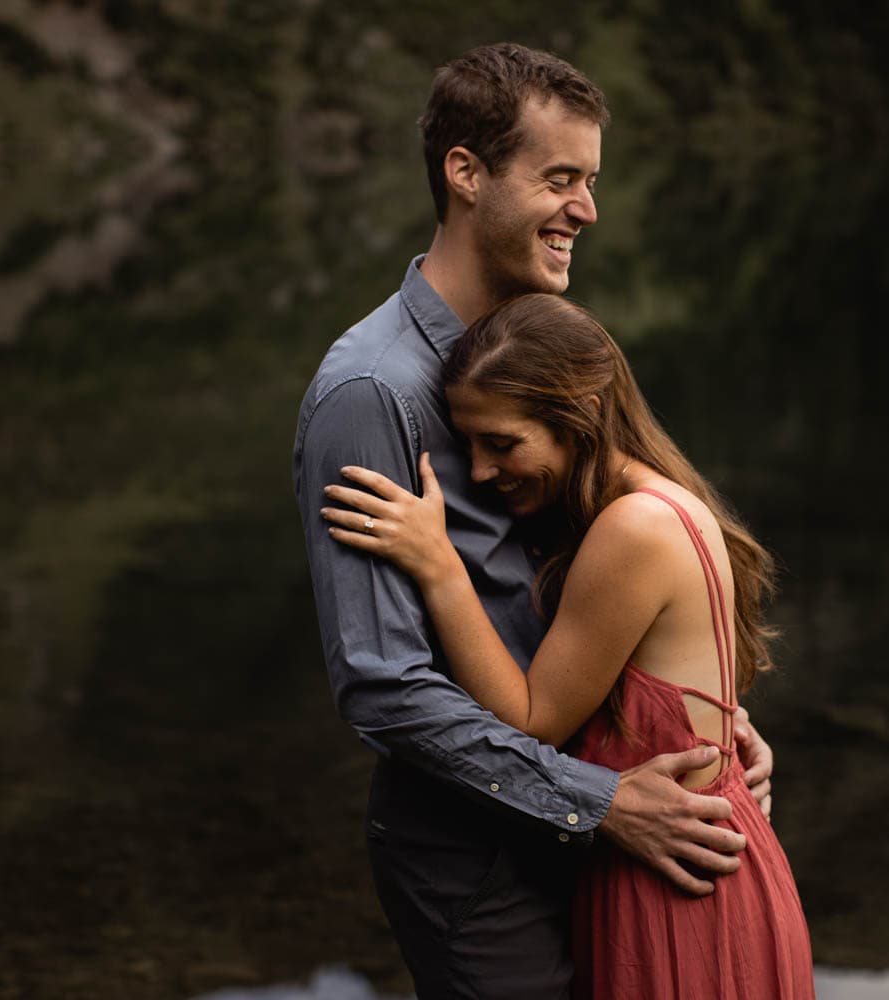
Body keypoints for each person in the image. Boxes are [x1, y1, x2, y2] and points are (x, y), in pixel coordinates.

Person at [292, 43, 777, 998]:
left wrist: (704, 715)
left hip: (594, 821)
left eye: (590, 182)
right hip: (477, 857)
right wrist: (603, 804)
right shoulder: (369, 394)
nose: (586, 211)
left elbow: (605, 578)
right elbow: (383, 689)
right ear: (465, 174)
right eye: (561, 179)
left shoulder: (537, 353)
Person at [320, 293, 815, 998]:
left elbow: (531, 719)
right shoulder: (658, 500)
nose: (483, 472)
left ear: (578, 414)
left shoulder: (634, 529)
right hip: (692, 868)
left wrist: (438, 565)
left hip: (679, 892)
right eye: (468, 447)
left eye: (502, 443)